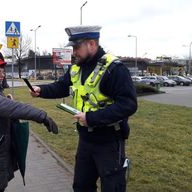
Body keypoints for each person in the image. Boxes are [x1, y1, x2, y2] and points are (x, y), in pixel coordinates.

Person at [30, 25, 137, 192]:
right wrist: (41, 90)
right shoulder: (77, 67)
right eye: (73, 47)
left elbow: (128, 104)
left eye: (76, 47)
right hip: (86, 141)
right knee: (81, 186)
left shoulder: (114, 68)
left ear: (92, 44)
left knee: (112, 188)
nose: (73, 52)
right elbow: (62, 86)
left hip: (110, 142)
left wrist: (91, 118)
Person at [0, 52, 58, 192]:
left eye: (3, 70)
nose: (2, 74)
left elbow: (4, 108)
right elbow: (13, 108)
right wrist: (42, 116)